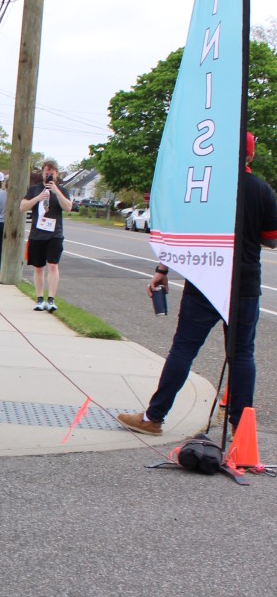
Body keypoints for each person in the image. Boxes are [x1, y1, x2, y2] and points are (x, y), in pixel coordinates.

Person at [117, 132, 277, 437]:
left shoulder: (206, 185)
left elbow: (181, 235)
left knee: (184, 348)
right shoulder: (263, 190)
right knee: (242, 354)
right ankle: (241, 429)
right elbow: (271, 239)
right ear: (252, 156)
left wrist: (163, 268)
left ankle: (154, 417)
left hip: (205, 278)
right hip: (244, 283)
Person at [21, 158, 71, 311]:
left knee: (53, 265)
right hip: (37, 234)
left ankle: (51, 299)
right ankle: (40, 299)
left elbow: (68, 207)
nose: (48, 175)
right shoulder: (34, 189)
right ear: (42, 174)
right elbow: (22, 207)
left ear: (56, 174)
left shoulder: (62, 190)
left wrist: (56, 191)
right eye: (46, 172)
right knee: (38, 267)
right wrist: (38, 198)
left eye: (52, 173)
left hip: (55, 234)